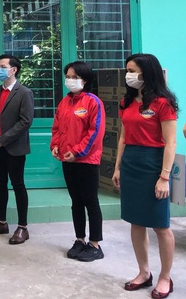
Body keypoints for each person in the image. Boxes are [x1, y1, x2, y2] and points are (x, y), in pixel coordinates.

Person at [112, 53, 177, 299]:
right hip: (131, 163)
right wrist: (117, 167)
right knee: (136, 221)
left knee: (161, 225)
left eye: (132, 70)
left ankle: (165, 277)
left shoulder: (163, 103)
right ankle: (144, 272)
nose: (128, 75)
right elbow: (122, 137)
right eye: (127, 70)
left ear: (147, 73)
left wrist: (164, 177)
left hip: (154, 164)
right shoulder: (126, 102)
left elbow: (170, 143)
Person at [51, 61, 105, 262]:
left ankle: (95, 244)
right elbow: (57, 128)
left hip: (87, 161)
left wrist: (77, 152)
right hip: (68, 160)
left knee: (90, 201)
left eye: (74, 76)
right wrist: (55, 146)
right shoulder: (65, 102)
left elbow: (95, 133)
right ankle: (80, 239)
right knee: (76, 202)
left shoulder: (93, 102)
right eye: (68, 76)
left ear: (85, 79)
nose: (70, 80)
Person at [0, 54, 34, 245]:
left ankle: (22, 227)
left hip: (14, 147)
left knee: (18, 185)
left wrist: (3, 140)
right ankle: (1, 222)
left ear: (14, 70)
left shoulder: (24, 92)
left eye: (3, 66)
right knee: (0, 185)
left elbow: (25, 121)